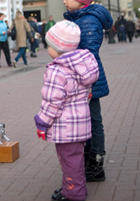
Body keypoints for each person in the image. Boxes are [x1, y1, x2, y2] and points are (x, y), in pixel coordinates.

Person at [35, 20, 99, 201]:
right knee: (76, 159)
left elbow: (52, 102)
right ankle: (72, 188)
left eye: (49, 46)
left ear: (58, 48)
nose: (48, 49)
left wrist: (42, 123)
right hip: (81, 124)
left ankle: (73, 194)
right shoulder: (82, 65)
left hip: (66, 127)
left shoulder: (57, 70)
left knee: (69, 161)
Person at [62, 0, 113, 183]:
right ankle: (88, 160)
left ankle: (95, 164)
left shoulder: (88, 21)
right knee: (87, 121)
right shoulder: (80, 18)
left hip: (88, 80)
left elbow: (89, 54)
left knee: (94, 120)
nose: (64, 1)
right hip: (82, 78)